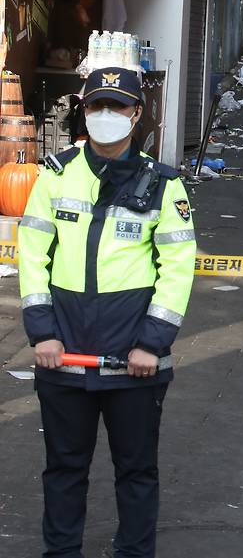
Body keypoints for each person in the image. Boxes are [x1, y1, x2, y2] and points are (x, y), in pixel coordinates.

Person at [19, 67, 197, 558]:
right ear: (84, 110)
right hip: (64, 354)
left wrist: (151, 343)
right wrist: (42, 335)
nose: (105, 116)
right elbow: (32, 256)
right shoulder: (54, 175)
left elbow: (178, 268)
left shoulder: (163, 184)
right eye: (97, 105)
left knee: (136, 471)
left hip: (133, 359)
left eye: (117, 106)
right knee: (63, 469)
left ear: (136, 114)